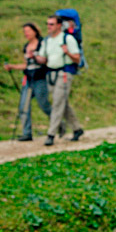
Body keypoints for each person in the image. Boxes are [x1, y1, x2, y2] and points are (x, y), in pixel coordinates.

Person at [35, 15, 84, 146]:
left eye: (51, 24)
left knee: (57, 102)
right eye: (47, 24)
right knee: (63, 103)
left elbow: (77, 59)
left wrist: (67, 52)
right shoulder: (47, 41)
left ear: (59, 26)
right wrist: (35, 57)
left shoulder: (67, 39)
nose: (48, 27)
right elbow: (43, 58)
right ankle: (77, 129)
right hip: (51, 74)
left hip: (64, 73)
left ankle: (51, 134)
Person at [4, 23, 51, 141]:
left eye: (28, 31)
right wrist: (13, 67)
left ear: (35, 31)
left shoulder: (42, 44)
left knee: (43, 105)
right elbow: (27, 65)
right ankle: (27, 133)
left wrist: (35, 57)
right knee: (23, 105)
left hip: (40, 78)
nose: (26, 33)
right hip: (28, 78)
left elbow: (46, 60)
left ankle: (59, 124)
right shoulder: (26, 46)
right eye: (25, 31)